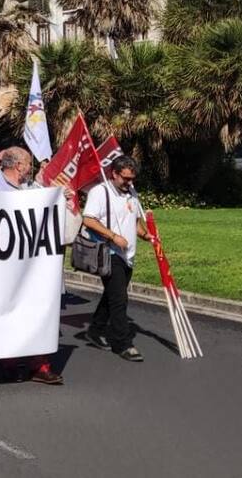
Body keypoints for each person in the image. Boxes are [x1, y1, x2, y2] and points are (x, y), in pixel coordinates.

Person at [0, 147, 64, 385]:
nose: (31, 168)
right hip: (5, 267)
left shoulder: (32, 189)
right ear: (18, 165)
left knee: (37, 311)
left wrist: (62, 198)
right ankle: (10, 364)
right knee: (9, 315)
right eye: (29, 163)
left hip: (33, 266)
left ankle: (40, 364)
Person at [81, 155, 154, 363]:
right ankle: (123, 344)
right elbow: (88, 220)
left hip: (127, 254)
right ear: (114, 174)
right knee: (120, 299)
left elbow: (135, 220)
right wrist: (113, 236)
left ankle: (95, 330)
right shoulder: (99, 192)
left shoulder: (131, 192)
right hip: (108, 252)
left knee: (113, 295)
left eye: (132, 178)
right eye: (125, 178)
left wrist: (144, 234)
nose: (129, 182)